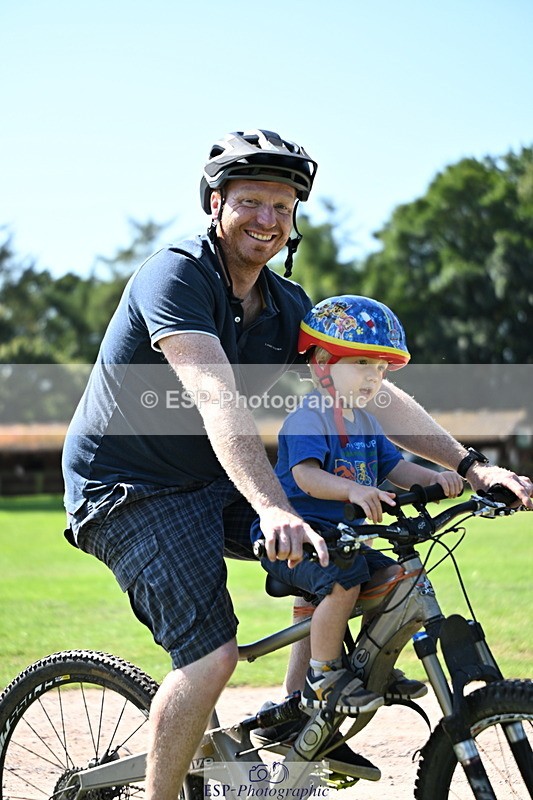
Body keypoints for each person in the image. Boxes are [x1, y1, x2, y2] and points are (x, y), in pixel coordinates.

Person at [61, 128, 533, 800]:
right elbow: (214, 396)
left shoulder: (285, 305)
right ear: (215, 204)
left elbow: (370, 385)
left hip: (219, 476)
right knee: (210, 654)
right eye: (250, 202)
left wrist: (471, 464)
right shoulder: (177, 275)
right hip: (129, 488)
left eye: (282, 208)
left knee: (370, 570)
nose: (267, 220)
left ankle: (302, 720)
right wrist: (273, 506)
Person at [251, 295, 463, 717]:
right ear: (323, 364)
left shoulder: (366, 421)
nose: (374, 378)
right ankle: (325, 675)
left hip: (345, 538)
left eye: (381, 369)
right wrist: (351, 491)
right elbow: (305, 476)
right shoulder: (308, 417)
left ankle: (371, 669)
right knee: (344, 582)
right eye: (362, 364)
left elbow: (397, 468)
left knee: (395, 579)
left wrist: (437, 479)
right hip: (300, 535)